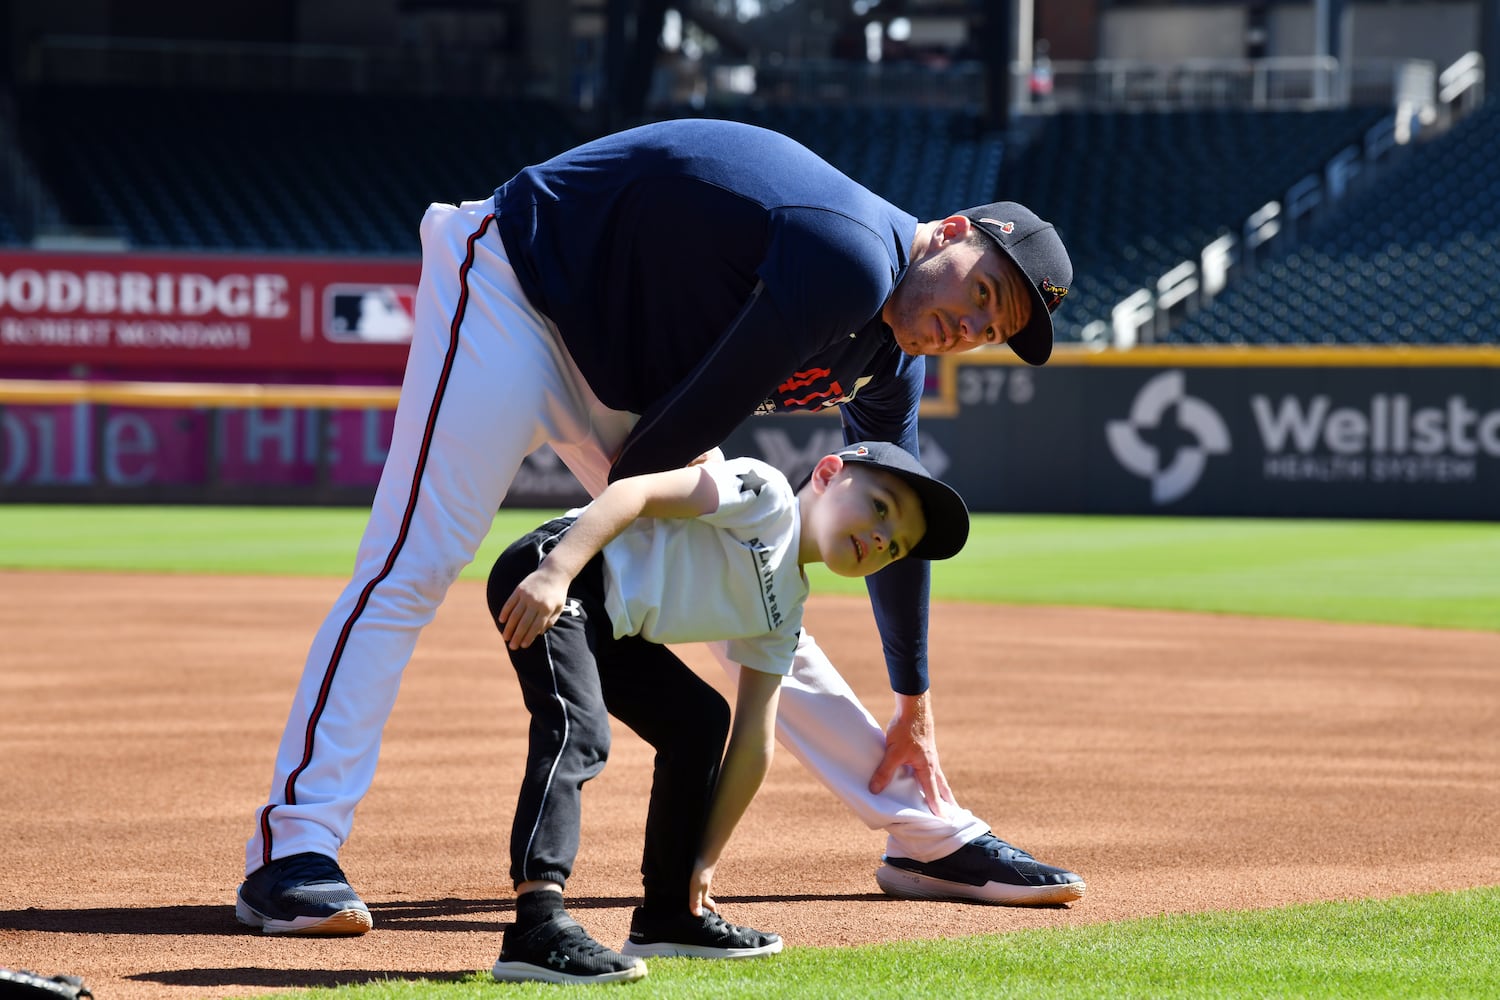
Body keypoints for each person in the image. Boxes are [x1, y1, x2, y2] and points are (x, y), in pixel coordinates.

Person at [236, 118, 1083, 938]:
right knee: (413, 564)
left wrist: (915, 701)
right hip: (516, 286)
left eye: (991, 328)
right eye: (981, 291)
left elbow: (904, 508)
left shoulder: (895, 354)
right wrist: (593, 547)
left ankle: (929, 835)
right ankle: (293, 847)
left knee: (759, 578)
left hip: (631, 382)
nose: (968, 327)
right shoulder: (853, 257)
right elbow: (672, 441)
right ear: (952, 231)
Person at [486, 440, 970, 984]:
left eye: (897, 546)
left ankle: (670, 914)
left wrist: (705, 860)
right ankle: (536, 924)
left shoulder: (786, 606)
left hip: (610, 623)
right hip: (556, 572)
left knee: (700, 723)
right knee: (581, 730)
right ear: (828, 473)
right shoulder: (764, 494)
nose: (883, 538)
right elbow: (633, 493)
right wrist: (555, 572)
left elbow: (753, 738)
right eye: (882, 507)